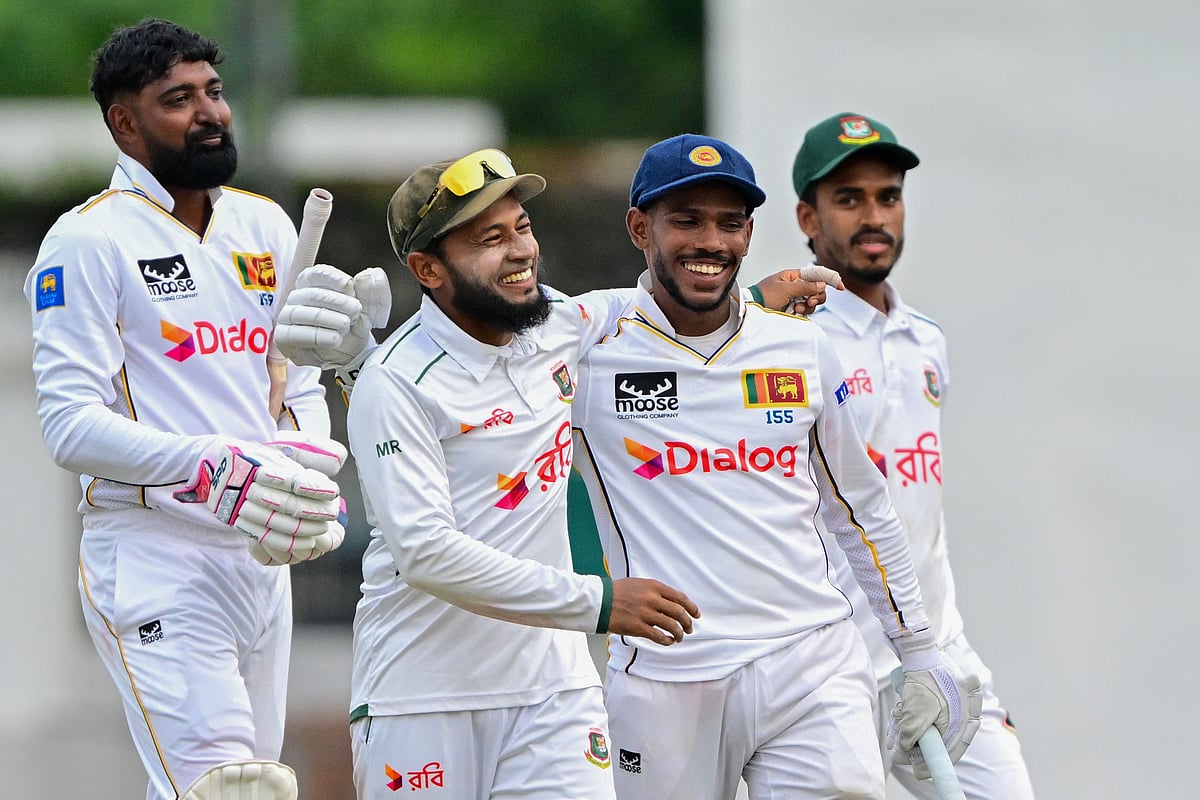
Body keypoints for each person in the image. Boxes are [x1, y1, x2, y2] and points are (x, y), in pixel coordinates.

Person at [23, 18, 349, 800]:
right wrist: (218, 467)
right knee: (230, 788)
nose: (210, 113)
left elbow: (296, 387)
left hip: (257, 558)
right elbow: (69, 425)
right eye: (179, 99)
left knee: (224, 786)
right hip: (154, 555)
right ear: (125, 123)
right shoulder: (87, 241)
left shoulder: (264, 223)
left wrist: (301, 464)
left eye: (214, 91)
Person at [339, 148, 711, 800]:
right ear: (428, 269)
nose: (520, 251)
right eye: (490, 238)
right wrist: (597, 602)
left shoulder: (556, 323)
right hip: (421, 698)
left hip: (556, 696)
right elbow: (425, 553)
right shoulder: (395, 382)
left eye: (522, 227)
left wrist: (764, 296)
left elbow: (648, 307)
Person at [791, 112, 1036, 797]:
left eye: (887, 197)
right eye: (849, 200)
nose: (874, 217)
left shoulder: (926, 340)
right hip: (828, 662)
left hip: (936, 651)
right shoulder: (790, 341)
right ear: (808, 218)